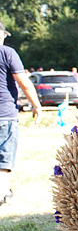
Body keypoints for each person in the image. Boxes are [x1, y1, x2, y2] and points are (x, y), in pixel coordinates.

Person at [0, 22, 41, 205]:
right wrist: (36, 106)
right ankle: (2, 192)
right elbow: (24, 82)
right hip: (5, 113)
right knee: (4, 154)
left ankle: (5, 191)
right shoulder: (7, 53)